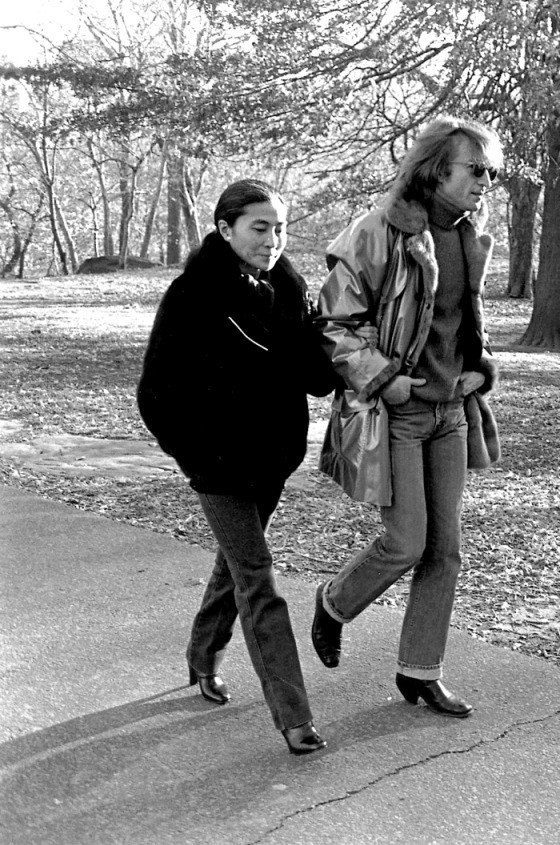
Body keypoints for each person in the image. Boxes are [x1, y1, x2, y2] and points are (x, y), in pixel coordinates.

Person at [137, 179, 347, 755]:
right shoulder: (192, 295)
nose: (273, 239)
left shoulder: (289, 286)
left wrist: (326, 331)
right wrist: (198, 456)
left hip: (274, 458)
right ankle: (294, 716)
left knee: (234, 565)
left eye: (279, 227)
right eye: (260, 227)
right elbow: (155, 394)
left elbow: (316, 378)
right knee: (258, 577)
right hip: (219, 465)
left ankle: (202, 656)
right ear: (225, 229)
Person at [310, 115, 501, 718]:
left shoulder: (471, 236)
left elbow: (462, 321)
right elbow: (333, 324)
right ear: (437, 168)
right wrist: (385, 380)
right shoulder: (378, 231)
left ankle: (420, 671)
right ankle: (335, 603)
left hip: (451, 412)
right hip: (397, 415)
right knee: (407, 541)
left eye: (491, 173)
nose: (485, 183)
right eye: (477, 170)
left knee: (446, 550)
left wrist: (482, 366)